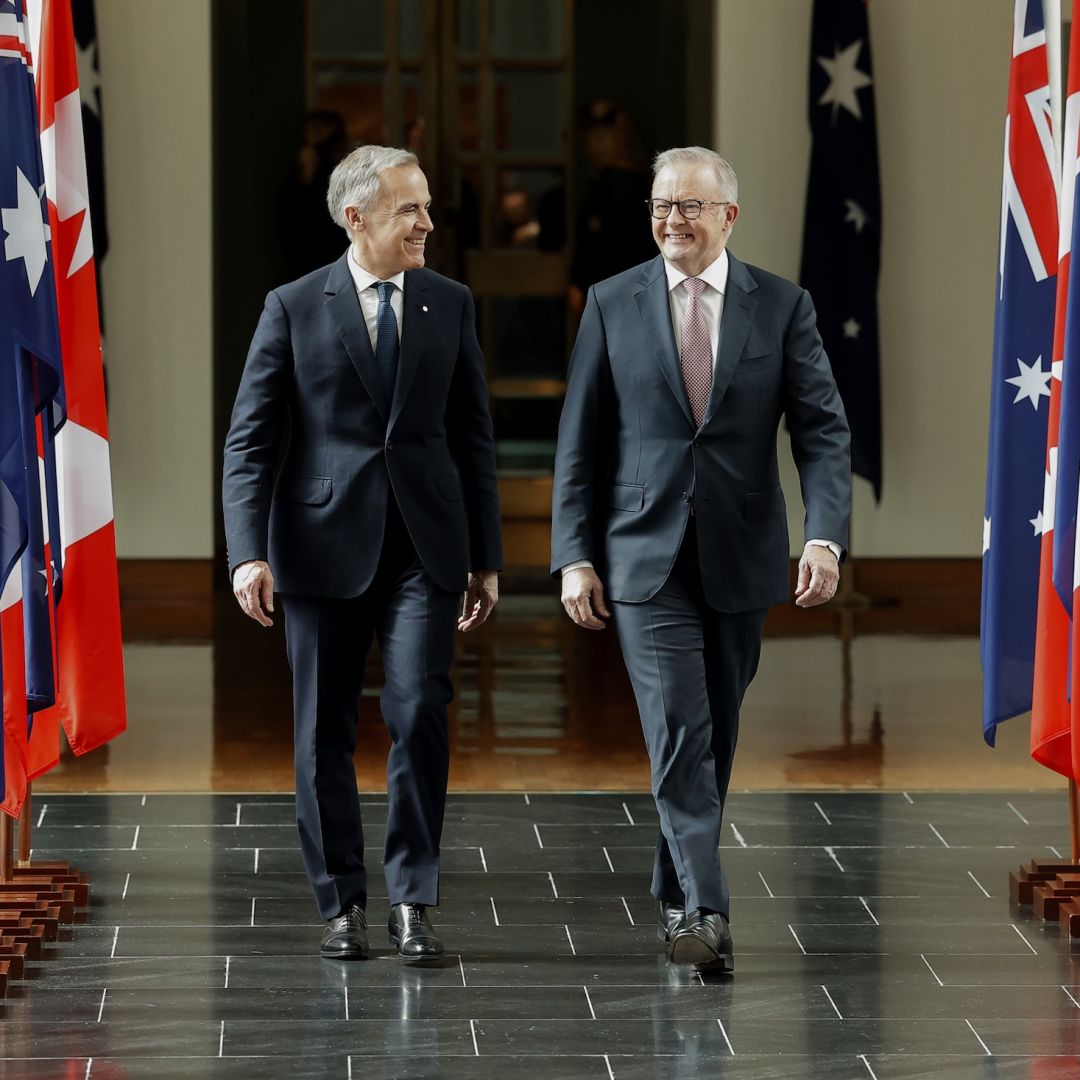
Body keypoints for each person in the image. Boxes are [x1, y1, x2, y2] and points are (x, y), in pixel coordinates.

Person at [551, 146, 851, 972]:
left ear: (729, 217)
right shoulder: (613, 302)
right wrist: (575, 554)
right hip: (642, 557)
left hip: (743, 555)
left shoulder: (782, 307)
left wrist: (823, 536)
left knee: (713, 734)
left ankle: (675, 878)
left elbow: (823, 433)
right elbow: (581, 443)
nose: (671, 221)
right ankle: (704, 914)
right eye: (659, 206)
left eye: (688, 206)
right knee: (680, 726)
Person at [224, 145, 503, 963]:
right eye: (408, 210)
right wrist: (247, 553)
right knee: (322, 732)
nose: (425, 223)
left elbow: (472, 436)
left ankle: (413, 900)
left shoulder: (450, 303)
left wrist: (485, 554)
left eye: (424, 207)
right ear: (357, 217)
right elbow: (251, 442)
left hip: (426, 547)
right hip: (317, 546)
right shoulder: (291, 305)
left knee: (418, 712)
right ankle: (341, 901)